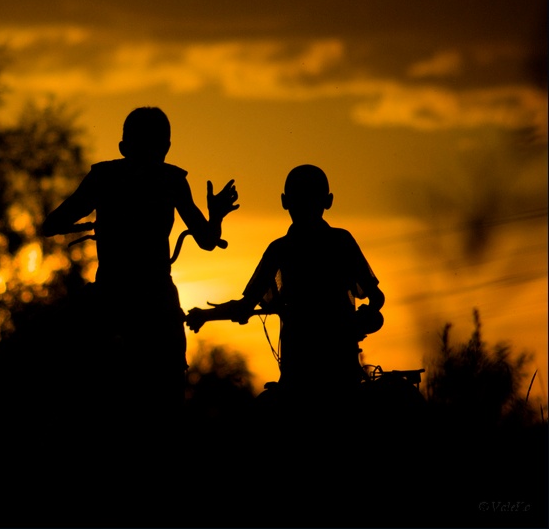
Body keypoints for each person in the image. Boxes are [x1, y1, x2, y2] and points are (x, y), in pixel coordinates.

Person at [41, 106, 239, 432]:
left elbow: (52, 224)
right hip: (157, 298)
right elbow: (207, 240)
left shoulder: (102, 177)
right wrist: (215, 214)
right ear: (166, 148)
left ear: (123, 147)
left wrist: (94, 220)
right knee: (169, 386)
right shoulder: (173, 180)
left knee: (80, 376)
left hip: (110, 296)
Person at [186, 164, 384, 394]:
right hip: (340, 366)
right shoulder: (342, 242)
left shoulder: (280, 250)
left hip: (298, 370)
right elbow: (377, 297)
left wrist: (206, 315)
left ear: (284, 201)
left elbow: (244, 307)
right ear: (329, 200)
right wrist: (365, 316)